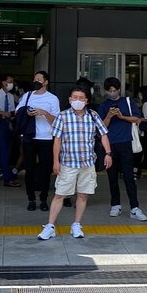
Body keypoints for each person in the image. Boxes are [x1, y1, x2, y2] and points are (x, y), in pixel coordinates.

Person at [37, 86, 112, 240]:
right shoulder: (62, 116)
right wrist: (55, 162)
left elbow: (103, 134)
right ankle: (50, 226)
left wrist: (108, 153)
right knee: (60, 195)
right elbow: (57, 140)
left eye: (81, 98)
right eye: (74, 98)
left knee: (83, 195)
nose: (77, 100)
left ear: (86, 101)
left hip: (87, 163)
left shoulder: (93, 115)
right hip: (68, 163)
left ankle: (76, 225)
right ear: (70, 100)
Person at [98, 77, 147, 221]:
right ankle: (115, 205)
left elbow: (137, 119)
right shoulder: (104, 105)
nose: (112, 93)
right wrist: (109, 115)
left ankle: (134, 208)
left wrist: (121, 116)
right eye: (109, 91)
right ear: (106, 91)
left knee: (128, 177)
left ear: (119, 89)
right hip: (109, 145)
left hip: (126, 143)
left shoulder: (127, 101)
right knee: (112, 177)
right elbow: (101, 127)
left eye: (114, 90)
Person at [15, 71, 60, 212]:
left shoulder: (52, 99)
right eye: (34, 79)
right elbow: (17, 112)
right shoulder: (27, 96)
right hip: (30, 137)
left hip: (46, 138)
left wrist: (44, 113)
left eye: (39, 79)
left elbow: (57, 121)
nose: (36, 81)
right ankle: (31, 198)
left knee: (45, 170)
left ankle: (44, 198)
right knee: (30, 169)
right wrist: (27, 112)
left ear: (45, 82)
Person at [0, 74, 21, 187]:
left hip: (7, 124)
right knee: (4, 150)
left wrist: (11, 116)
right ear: (3, 82)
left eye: (12, 81)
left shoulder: (10, 96)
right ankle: (8, 177)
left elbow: (11, 112)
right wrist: (2, 113)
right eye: (8, 81)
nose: (11, 84)